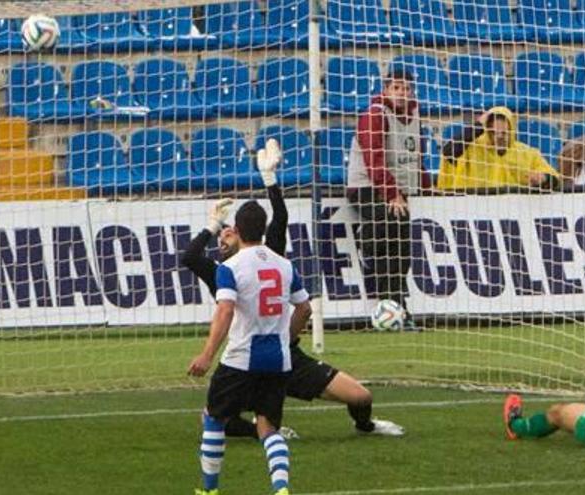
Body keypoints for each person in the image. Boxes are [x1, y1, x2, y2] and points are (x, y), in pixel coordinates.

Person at [181, 139, 404, 439]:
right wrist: (211, 225)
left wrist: (270, 180)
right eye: (220, 237)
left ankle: (366, 425)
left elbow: (279, 221)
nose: (223, 237)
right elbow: (190, 258)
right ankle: (270, 432)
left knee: (361, 397)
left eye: (229, 232)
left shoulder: (270, 259)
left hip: (285, 355)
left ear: (243, 233)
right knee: (214, 418)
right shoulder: (222, 273)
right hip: (246, 358)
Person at [188, 200, 312, 495]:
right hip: (278, 359)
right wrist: (286, 339)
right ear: (264, 228)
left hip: (241, 357)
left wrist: (207, 355)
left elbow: (226, 310)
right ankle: (280, 488)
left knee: (213, 418)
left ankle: (209, 490)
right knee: (268, 427)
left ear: (238, 230)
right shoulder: (284, 264)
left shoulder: (230, 267)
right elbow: (305, 309)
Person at [347, 66, 430, 330]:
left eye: (406, 88)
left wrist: (427, 190)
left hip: (400, 192)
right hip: (367, 186)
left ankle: (395, 305)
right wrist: (392, 193)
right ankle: (366, 242)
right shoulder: (375, 115)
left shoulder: (415, 116)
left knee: (401, 247)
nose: (402, 93)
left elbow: (418, 159)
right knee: (391, 224)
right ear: (385, 90)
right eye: (396, 88)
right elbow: (374, 159)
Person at [437, 107, 559, 191]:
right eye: (494, 133)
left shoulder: (527, 153)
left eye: (504, 133)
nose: (500, 137)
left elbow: (554, 178)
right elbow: (448, 152)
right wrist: (478, 126)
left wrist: (543, 178)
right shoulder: (471, 149)